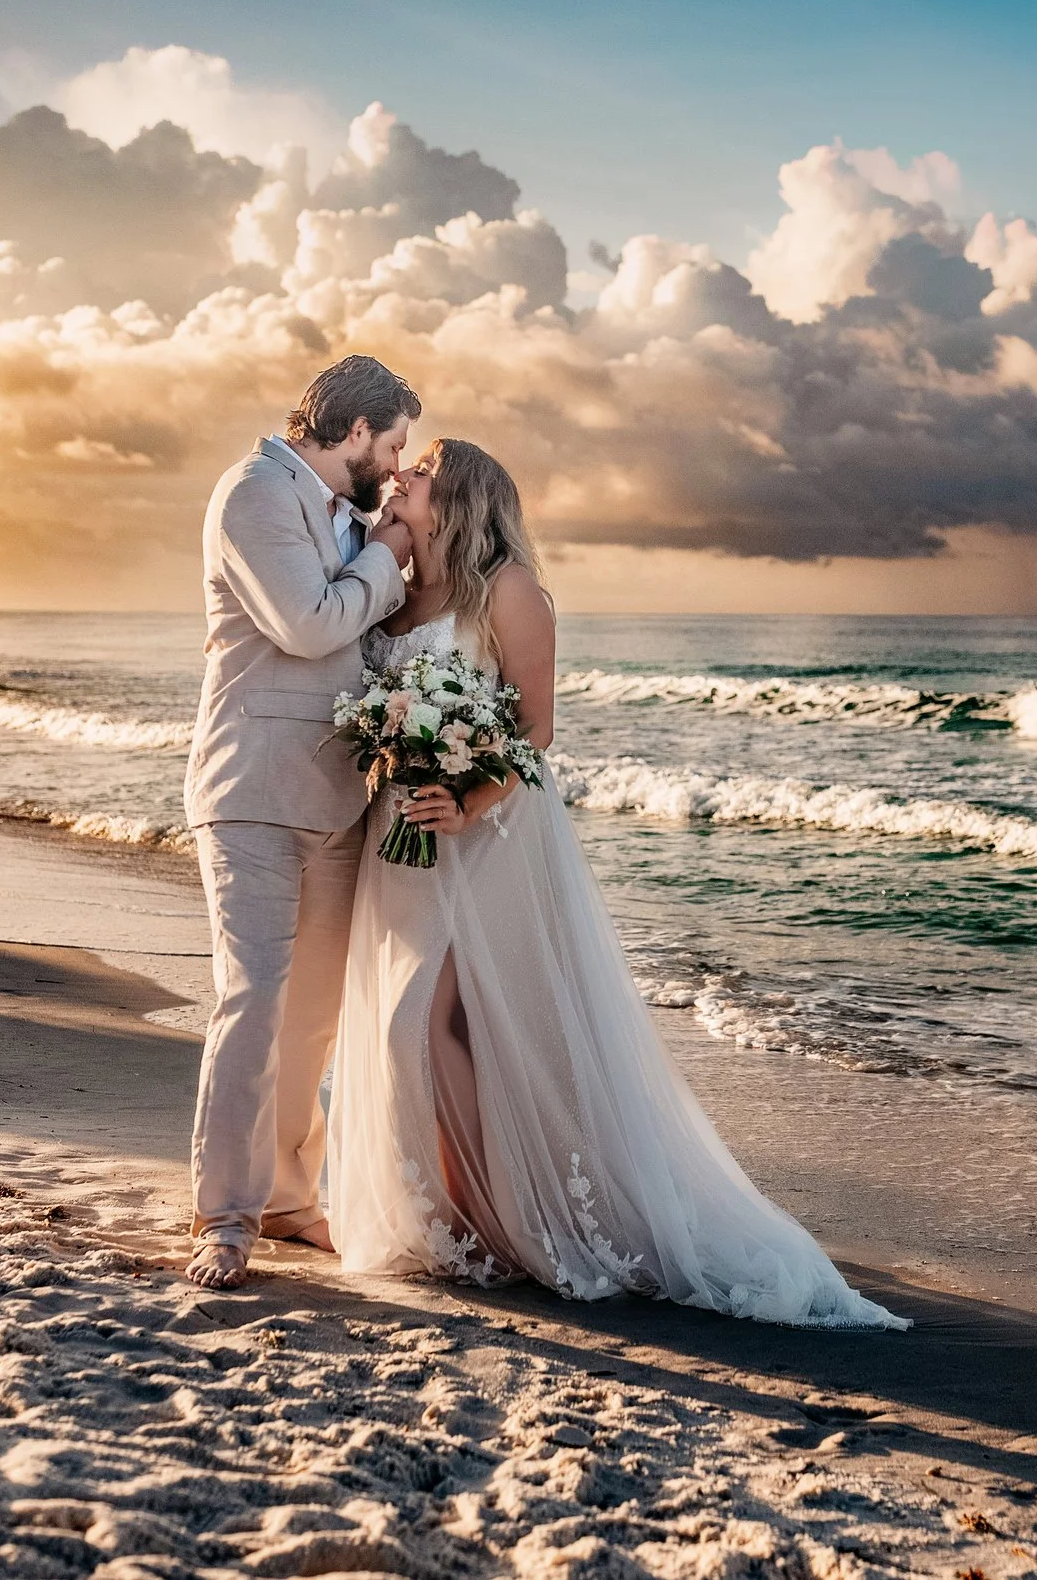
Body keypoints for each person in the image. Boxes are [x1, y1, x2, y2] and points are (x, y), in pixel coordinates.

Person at [327, 439, 907, 1329]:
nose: (402, 475)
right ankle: (454, 1217)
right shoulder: (396, 591)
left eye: (423, 469)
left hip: (490, 836)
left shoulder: (510, 590)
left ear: (465, 496)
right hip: (402, 835)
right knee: (414, 1023)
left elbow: (536, 729)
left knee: (458, 1024)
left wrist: (468, 799)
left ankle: (503, 1222)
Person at [181, 355, 419, 1291]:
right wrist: (391, 560)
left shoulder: (345, 515)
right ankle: (225, 1215)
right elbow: (307, 623)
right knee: (254, 1001)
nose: (396, 464)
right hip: (252, 791)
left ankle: (285, 1197)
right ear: (354, 430)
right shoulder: (253, 493)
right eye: (392, 442)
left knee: (312, 1021)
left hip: (339, 798)